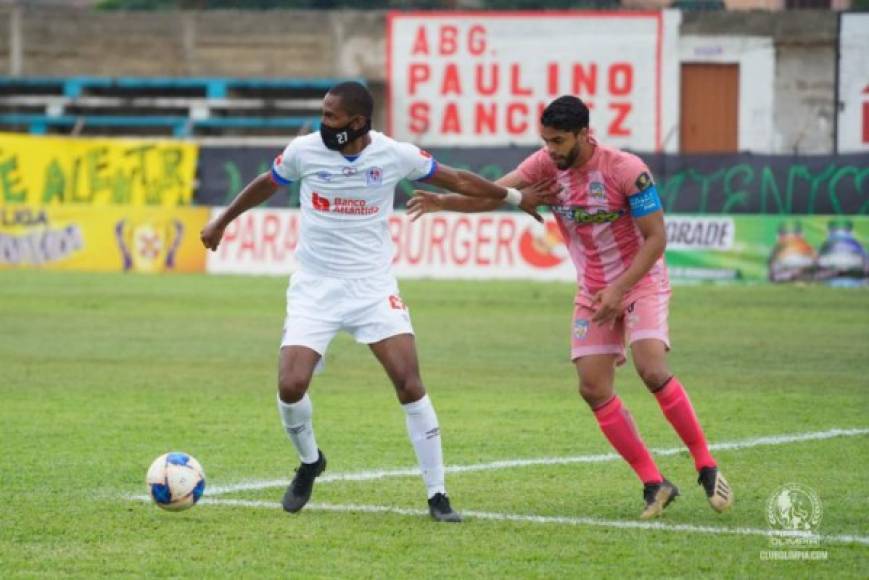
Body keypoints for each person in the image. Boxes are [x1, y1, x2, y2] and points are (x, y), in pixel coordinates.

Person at [200, 81, 546, 523]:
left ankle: (437, 495)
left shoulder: (393, 154)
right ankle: (310, 463)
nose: (323, 123)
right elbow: (265, 184)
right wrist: (223, 221)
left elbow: (458, 178)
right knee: (290, 385)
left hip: (372, 287)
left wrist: (516, 197)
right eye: (323, 113)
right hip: (315, 287)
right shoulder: (305, 151)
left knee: (409, 381)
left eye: (332, 117)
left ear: (358, 123)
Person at [407, 95, 733, 520]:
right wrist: (442, 203)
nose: (551, 150)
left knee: (651, 367)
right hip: (594, 290)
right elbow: (497, 194)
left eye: (558, 141)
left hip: (640, 280)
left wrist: (620, 289)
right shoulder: (544, 166)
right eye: (545, 140)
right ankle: (654, 482)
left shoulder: (626, 171)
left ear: (584, 133)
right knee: (593, 388)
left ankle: (705, 464)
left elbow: (656, 239)